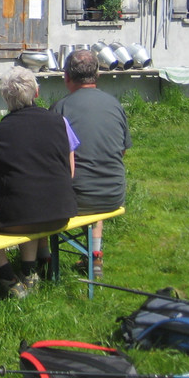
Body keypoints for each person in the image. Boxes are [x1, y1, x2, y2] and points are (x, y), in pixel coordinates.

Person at [0, 66, 78, 297]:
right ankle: (29, 269)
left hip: (16, 219)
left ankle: (8, 276)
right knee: (31, 197)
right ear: (36, 92)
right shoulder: (60, 122)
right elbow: (71, 171)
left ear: (5, 98)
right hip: (61, 212)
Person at [51, 49, 132, 278]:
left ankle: (42, 260)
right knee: (94, 182)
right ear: (97, 75)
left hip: (76, 198)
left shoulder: (60, 108)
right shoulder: (114, 104)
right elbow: (123, 150)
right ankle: (95, 256)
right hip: (113, 194)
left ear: (67, 76)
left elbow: (50, 159)